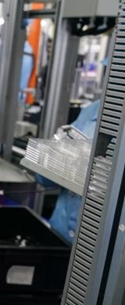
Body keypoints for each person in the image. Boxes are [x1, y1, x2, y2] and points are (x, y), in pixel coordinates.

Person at [39, 100, 101, 244]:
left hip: (96, 248)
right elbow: (43, 178)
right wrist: (56, 153)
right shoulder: (92, 111)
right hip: (59, 234)